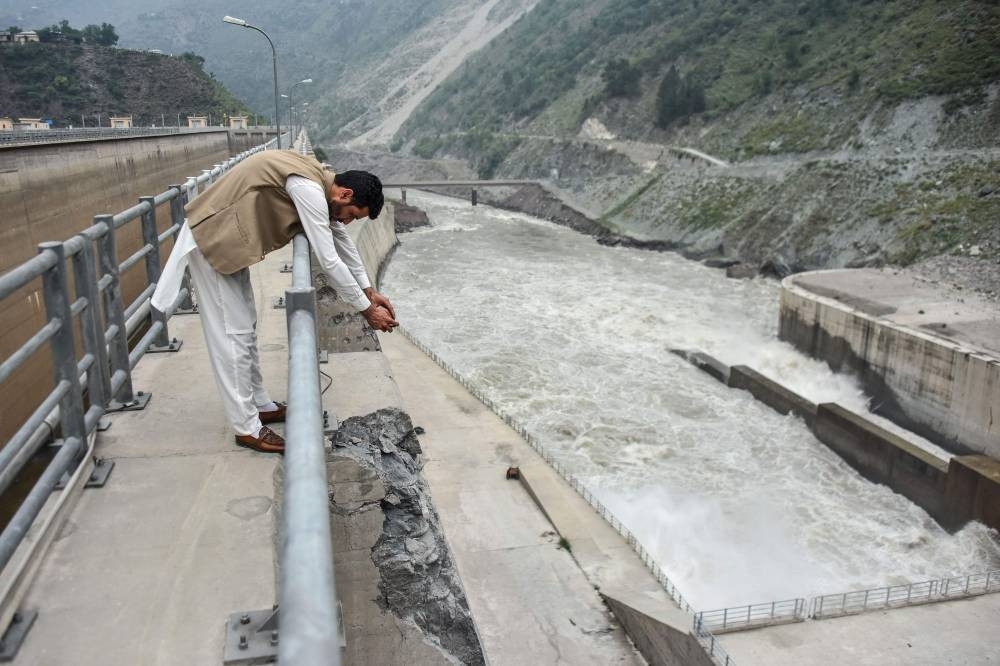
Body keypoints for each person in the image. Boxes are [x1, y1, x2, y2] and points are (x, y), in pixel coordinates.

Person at [150, 149, 398, 454]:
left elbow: (339, 238)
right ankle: (247, 428)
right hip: (212, 240)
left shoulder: (320, 184)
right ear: (345, 194)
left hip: (231, 243)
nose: (346, 223)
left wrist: (368, 289)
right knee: (233, 336)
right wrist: (367, 311)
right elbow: (329, 259)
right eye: (352, 216)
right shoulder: (308, 187)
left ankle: (260, 404)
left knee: (246, 326)